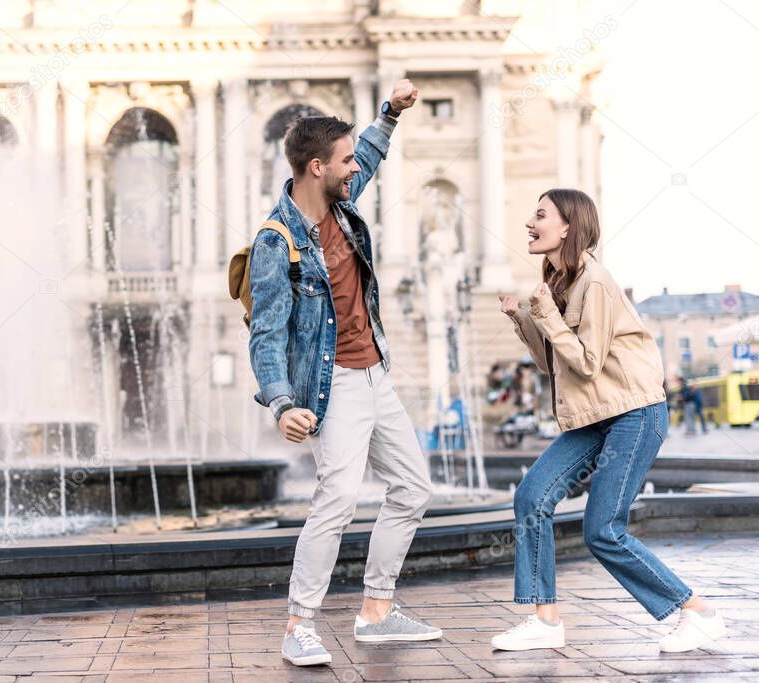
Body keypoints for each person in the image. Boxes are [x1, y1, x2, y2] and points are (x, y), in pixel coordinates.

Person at [248, 80, 442, 668]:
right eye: (345, 161)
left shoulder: (344, 209)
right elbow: (265, 334)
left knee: (413, 489)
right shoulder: (275, 242)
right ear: (315, 167)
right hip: (331, 387)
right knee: (337, 499)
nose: (355, 168)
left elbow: (373, 157)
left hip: (375, 374)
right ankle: (299, 624)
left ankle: (376, 611)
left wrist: (390, 114)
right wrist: (282, 403)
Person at [496, 188, 726, 653]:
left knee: (602, 529)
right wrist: (524, 318)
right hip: (594, 415)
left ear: (568, 227)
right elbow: (551, 364)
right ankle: (545, 619)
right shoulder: (557, 281)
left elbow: (586, 362)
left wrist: (545, 316)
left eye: (540, 214)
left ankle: (697, 612)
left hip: (633, 413)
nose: (529, 222)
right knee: (531, 496)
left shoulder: (594, 282)